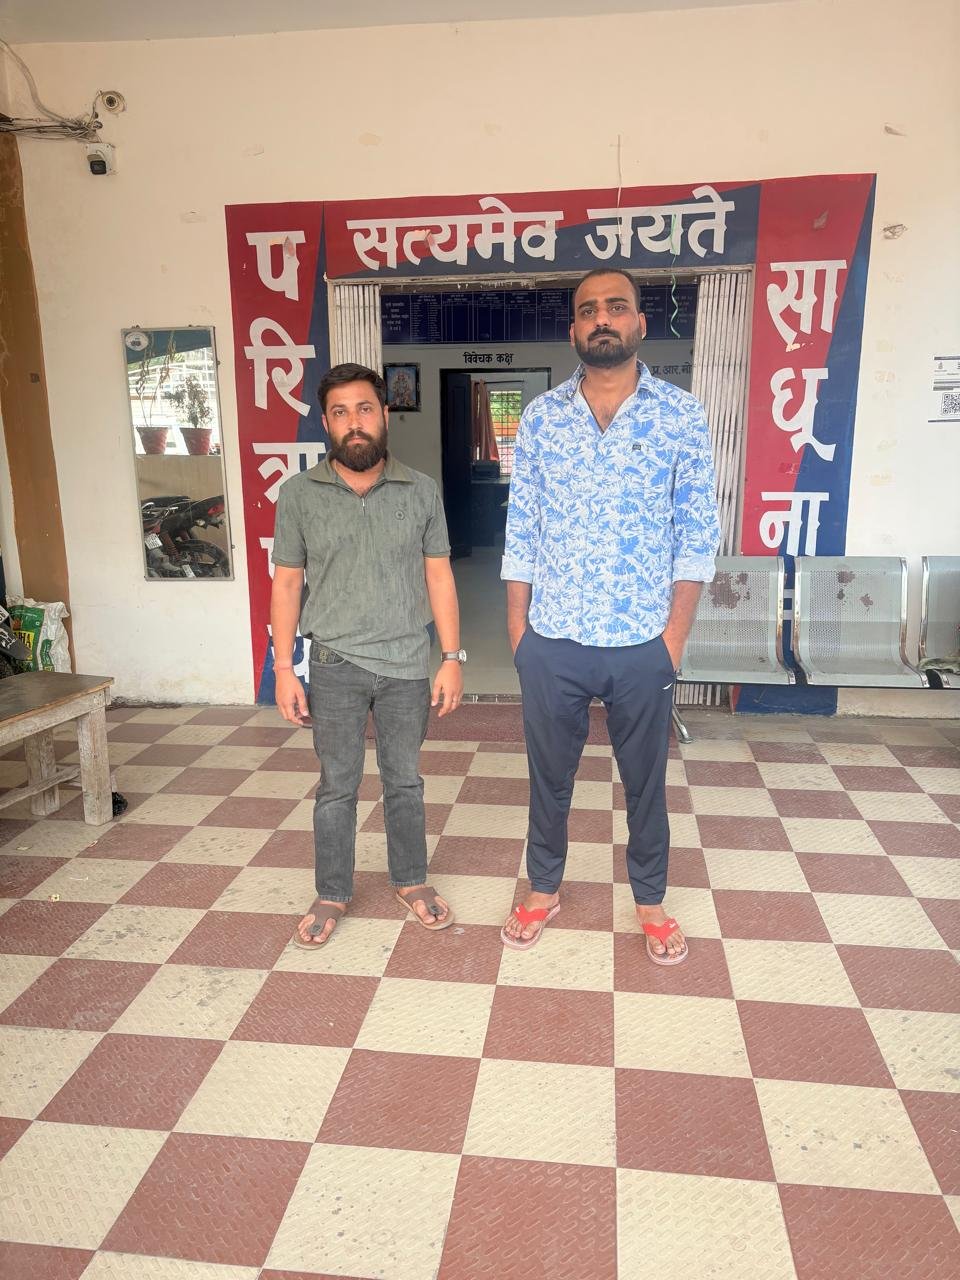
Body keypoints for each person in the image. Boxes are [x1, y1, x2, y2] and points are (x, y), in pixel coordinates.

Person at [500, 269, 720, 964]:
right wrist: (520, 636)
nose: (602, 319)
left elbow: (697, 534)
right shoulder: (541, 417)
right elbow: (522, 529)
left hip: (641, 641)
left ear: (640, 324)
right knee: (548, 778)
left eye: (616, 308)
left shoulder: (680, 415)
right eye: (588, 310)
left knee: (646, 782)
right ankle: (543, 887)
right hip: (553, 639)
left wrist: (672, 640)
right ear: (573, 329)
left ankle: (650, 900)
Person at [271, 362, 466, 946]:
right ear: (326, 423)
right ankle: (333, 890)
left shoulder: (421, 490)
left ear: (384, 414)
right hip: (333, 664)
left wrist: (451, 657)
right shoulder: (299, 495)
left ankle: (411, 880)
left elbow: (439, 577)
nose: (353, 422)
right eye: (339, 412)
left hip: (406, 664)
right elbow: (287, 583)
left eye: (363, 409)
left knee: (404, 781)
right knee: (337, 784)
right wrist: (284, 669)